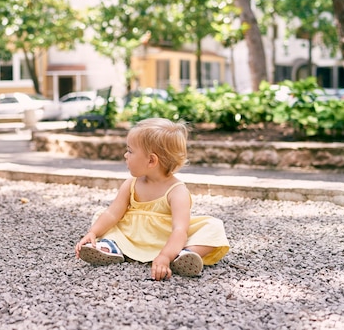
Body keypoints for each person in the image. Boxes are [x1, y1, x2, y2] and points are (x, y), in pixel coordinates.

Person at [74, 118, 229, 281]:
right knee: (101, 215)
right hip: (131, 235)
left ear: (151, 160)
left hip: (166, 240)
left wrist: (164, 255)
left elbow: (179, 230)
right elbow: (113, 213)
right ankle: (110, 247)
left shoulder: (177, 191)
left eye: (130, 151)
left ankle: (184, 254)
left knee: (213, 226)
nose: (125, 155)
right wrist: (93, 232)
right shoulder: (131, 184)